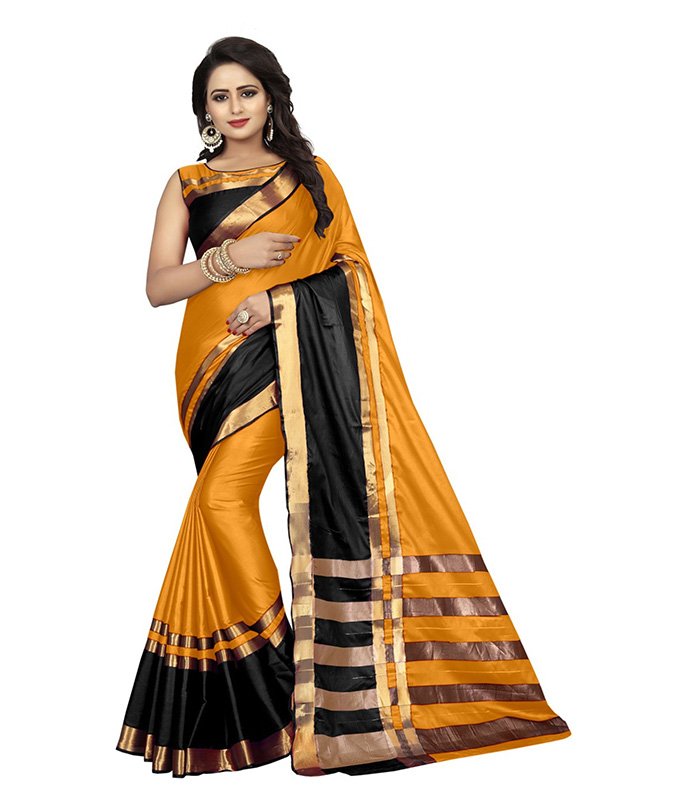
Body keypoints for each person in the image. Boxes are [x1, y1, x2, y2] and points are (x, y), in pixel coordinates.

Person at [115, 35, 572, 779]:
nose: (234, 107)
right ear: (204, 110)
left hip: (285, 360)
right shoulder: (187, 182)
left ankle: (290, 688)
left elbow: (352, 274)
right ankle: (282, 699)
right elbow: (158, 287)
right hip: (206, 370)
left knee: (220, 503)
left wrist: (276, 300)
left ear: (271, 98)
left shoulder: (312, 175)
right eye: (220, 97)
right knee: (214, 507)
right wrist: (227, 261)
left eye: (247, 92)